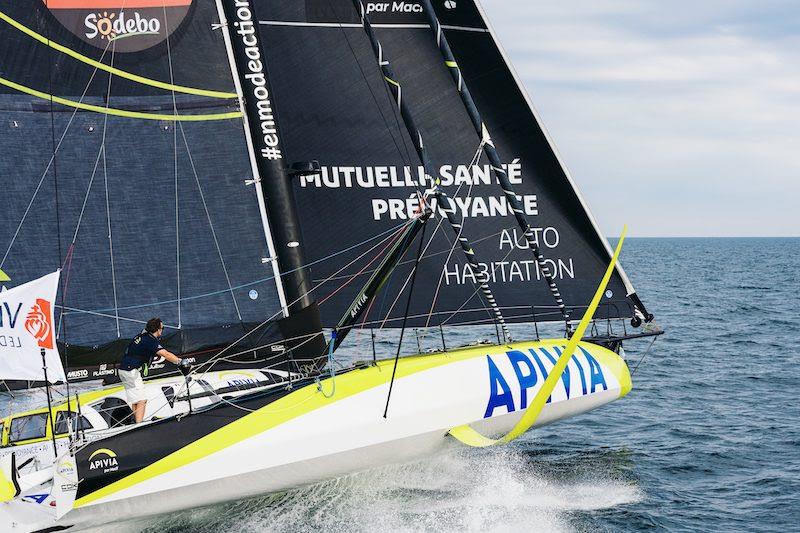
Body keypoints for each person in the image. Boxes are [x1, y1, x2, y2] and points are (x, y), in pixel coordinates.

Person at [118, 317, 188, 423]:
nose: (162, 330)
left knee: (135, 399)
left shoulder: (141, 336)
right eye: (162, 328)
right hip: (131, 372)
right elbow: (165, 354)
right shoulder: (150, 340)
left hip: (124, 370)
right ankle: (139, 426)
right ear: (158, 330)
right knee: (142, 400)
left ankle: (135, 422)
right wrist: (180, 362)